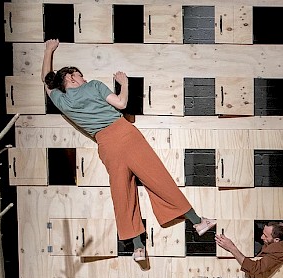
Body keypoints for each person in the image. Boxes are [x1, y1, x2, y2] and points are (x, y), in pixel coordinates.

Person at [41, 39, 216, 263]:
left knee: (122, 193)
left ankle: (138, 247)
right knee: (156, 177)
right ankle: (198, 222)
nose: (83, 78)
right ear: (72, 77)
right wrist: (124, 83)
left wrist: (48, 51)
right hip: (125, 134)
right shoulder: (93, 86)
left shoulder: (62, 101)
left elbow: (46, 81)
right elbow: (122, 104)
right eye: (80, 75)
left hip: (106, 146)